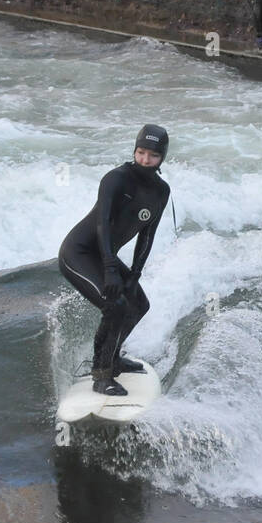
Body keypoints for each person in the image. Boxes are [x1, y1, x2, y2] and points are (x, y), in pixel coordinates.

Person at [58, 125, 171, 396]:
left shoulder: (161, 192)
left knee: (139, 304)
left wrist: (135, 275)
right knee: (117, 305)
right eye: (141, 152)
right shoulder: (115, 179)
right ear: (134, 150)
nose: (145, 160)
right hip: (79, 252)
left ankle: (113, 357)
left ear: (162, 157)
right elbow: (103, 226)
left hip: (104, 254)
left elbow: (147, 235)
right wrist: (110, 269)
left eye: (152, 155)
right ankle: (101, 374)